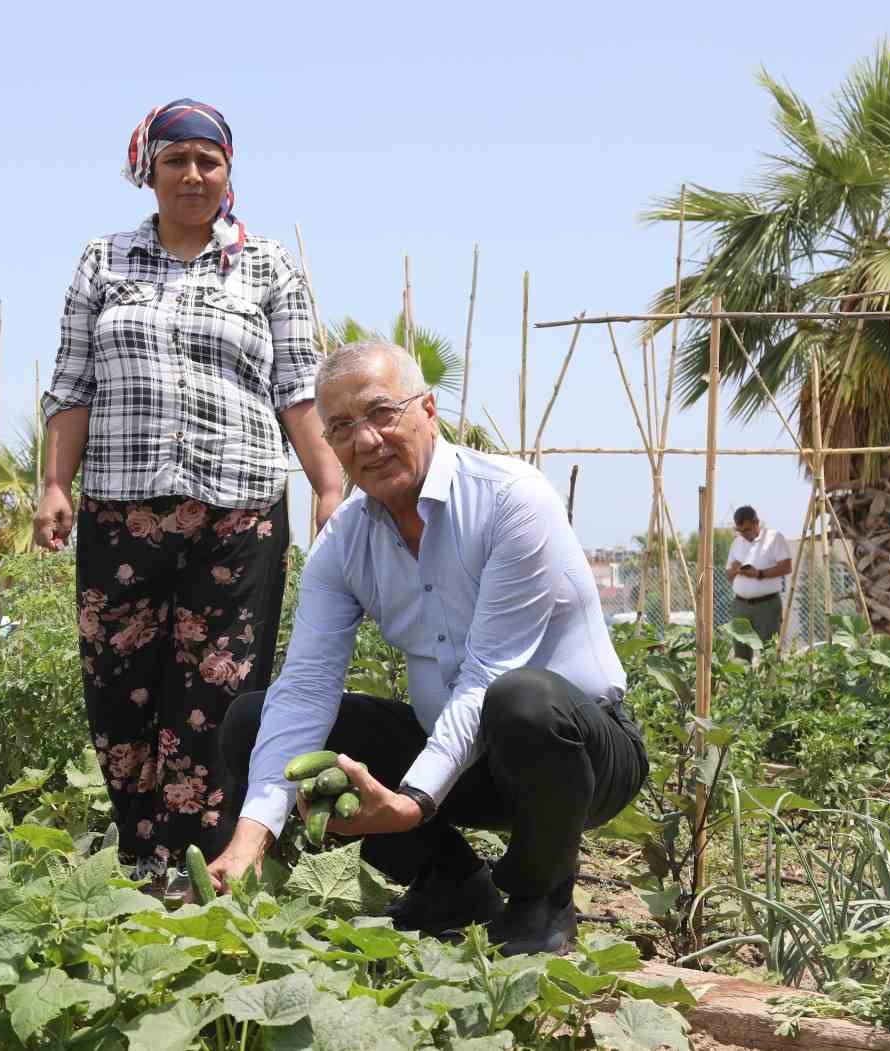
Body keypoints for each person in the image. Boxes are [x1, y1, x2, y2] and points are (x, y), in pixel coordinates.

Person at [205, 340, 649, 957]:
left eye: (382, 412)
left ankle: (539, 901)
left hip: (577, 754)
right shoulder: (343, 544)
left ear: (429, 410)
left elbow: (489, 672)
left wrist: (410, 802)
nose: (366, 441)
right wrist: (252, 836)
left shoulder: (512, 499)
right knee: (255, 721)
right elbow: (306, 687)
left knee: (519, 699)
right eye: (341, 427)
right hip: (458, 763)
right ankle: (449, 884)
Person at [35, 98, 344, 886]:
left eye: (209, 161)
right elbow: (72, 384)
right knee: (118, 687)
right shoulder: (103, 261)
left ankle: (197, 867)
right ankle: (141, 855)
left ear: (228, 172)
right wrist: (53, 484)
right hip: (120, 508)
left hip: (238, 510)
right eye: (177, 160)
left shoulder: (266, 265)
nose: (194, 175)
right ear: (150, 170)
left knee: (221, 689)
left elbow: (298, 389)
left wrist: (328, 486)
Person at [725, 506, 792, 659]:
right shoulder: (737, 543)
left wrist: (759, 574)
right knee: (740, 657)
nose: (744, 534)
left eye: (747, 529)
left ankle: (772, 683)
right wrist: (735, 570)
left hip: (767, 606)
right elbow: (728, 576)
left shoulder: (774, 538)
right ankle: (743, 683)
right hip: (740, 606)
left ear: (757, 523)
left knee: (770, 653)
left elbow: (787, 567)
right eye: (740, 530)